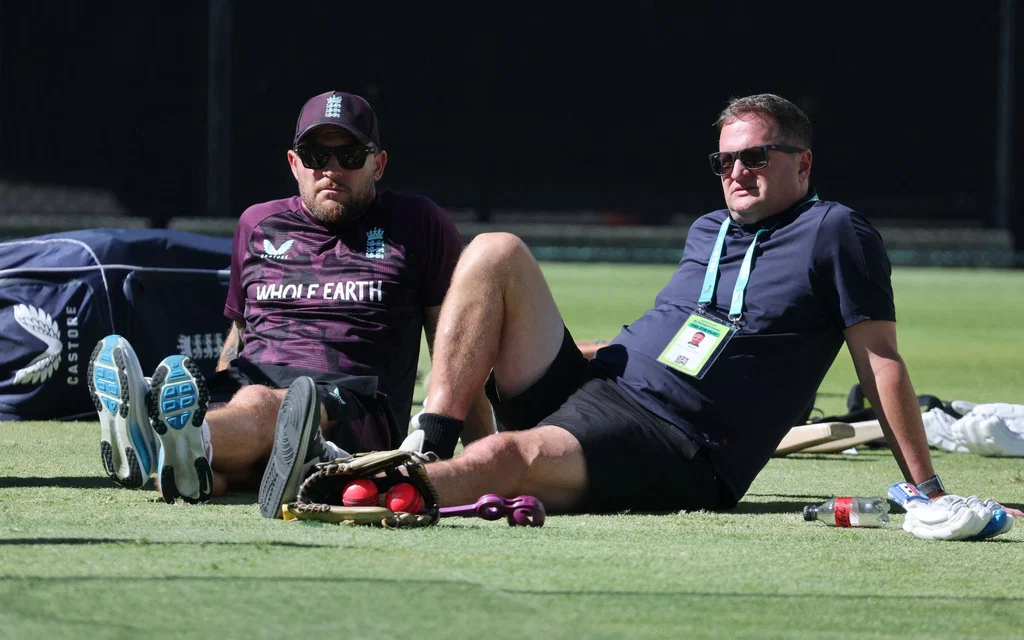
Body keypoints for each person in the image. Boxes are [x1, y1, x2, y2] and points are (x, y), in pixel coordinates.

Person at [393, 93, 1024, 527]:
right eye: (725, 160)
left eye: (755, 157)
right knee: (496, 250)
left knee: (506, 462)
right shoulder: (709, 229)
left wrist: (926, 490)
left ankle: (374, 490)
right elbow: (672, 335)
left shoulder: (836, 231)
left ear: (802, 163)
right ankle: (427, 443)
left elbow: (881, 362)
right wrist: (574, 354)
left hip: (678, 443)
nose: (736, 172)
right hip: (601, 389)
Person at [89, 90, 492, 513]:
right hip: (255, 391)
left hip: (352, 404)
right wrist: (223, 389)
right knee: (215, 470)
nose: (331, 170)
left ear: (379, 164)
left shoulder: (419, 224)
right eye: (316, 155)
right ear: (294, 163)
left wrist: (485, 456)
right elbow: (239, 336)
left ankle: (156, 436)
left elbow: (455, 347)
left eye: (350, 155)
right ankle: (193, 452)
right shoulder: (257, 223)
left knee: (267, 405)